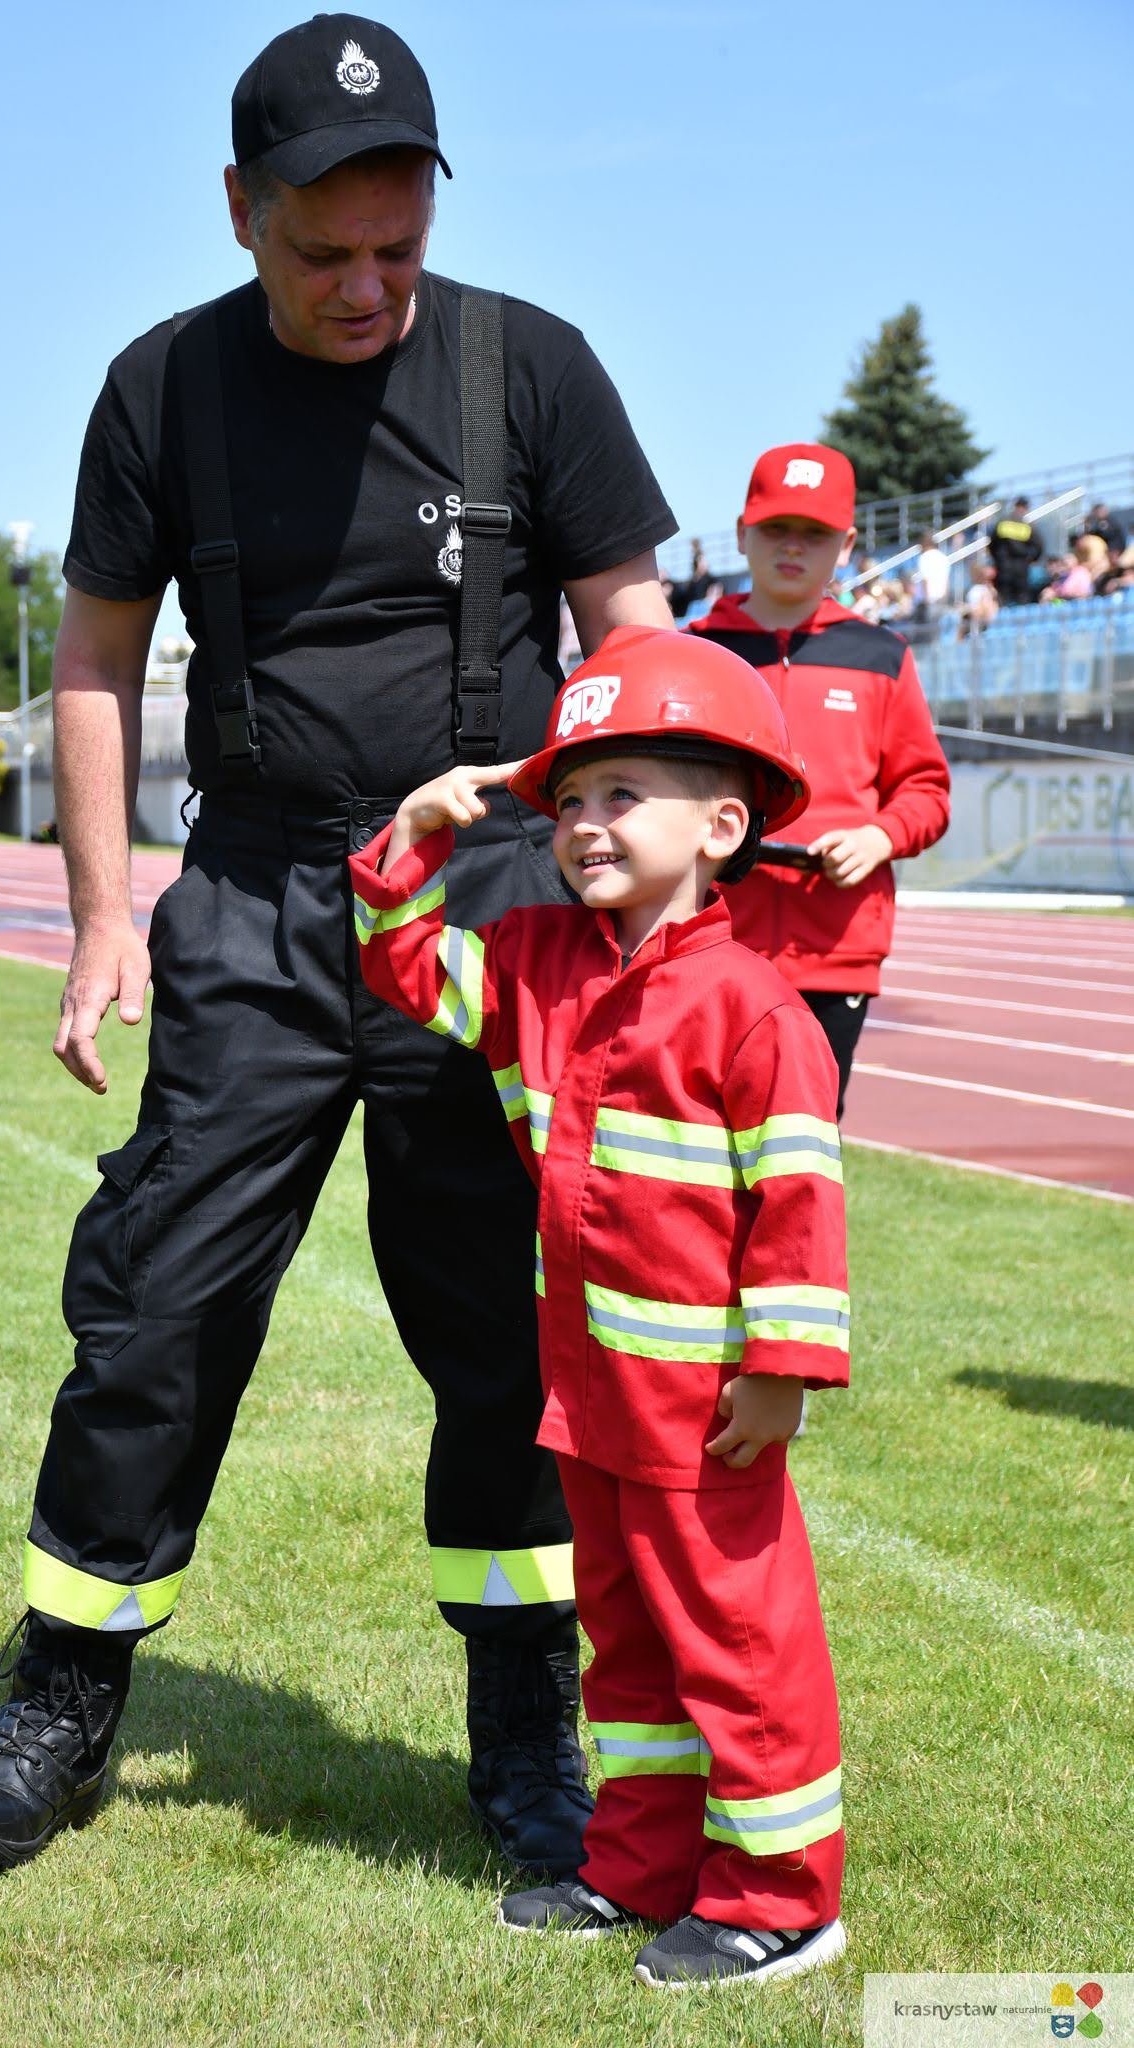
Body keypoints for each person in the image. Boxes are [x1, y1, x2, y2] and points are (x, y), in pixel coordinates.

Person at [0, 13, 676, 1875]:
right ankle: (61, 1703)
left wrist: (646, 893)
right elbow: (95, 662)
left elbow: (638, 639)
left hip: (485, 897)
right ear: (239, 208)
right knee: (157, 1304)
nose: (367, 286)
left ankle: (526, 1735)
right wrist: (105, 917)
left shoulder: (531, 368)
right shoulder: (160, 389)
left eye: (399, 247)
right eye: (326, 251)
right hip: (253, 894)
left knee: (502, 1329)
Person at [350, 627, 849, 1990]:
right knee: (624, 1649)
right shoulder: (531, 959)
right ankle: (639, 1864)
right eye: (568, 798)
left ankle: (781, 1899)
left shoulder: (754, 1008)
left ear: (723, 826)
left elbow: (799, 1202)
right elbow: (404, 970)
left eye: (623, 793)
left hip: (704, 1413)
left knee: (736, 1647)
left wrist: (782, 1366)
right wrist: (412, 839)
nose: (583, 823)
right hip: (590, 1398)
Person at [686, 444, 950, 1117]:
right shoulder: (696, 651)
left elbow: (925, 790)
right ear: (742, 532)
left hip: (835, 946)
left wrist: (879, 837)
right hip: (704, 934)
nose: (793, 546)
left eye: (815, 532)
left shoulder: (881, 655)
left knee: (805, 1142)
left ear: (847, 545)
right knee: (696, 1135)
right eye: (776, 527)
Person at [989, 496, 1043, 606]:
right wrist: (1032, 559)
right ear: (1026, 508)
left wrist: (997, 559)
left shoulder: (1003, 523)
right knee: (1022, 598)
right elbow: (1039, 546)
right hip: (1021, 566)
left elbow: (992, 544)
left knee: (1003, 598)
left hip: (1003, 566)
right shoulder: (1027, 526)